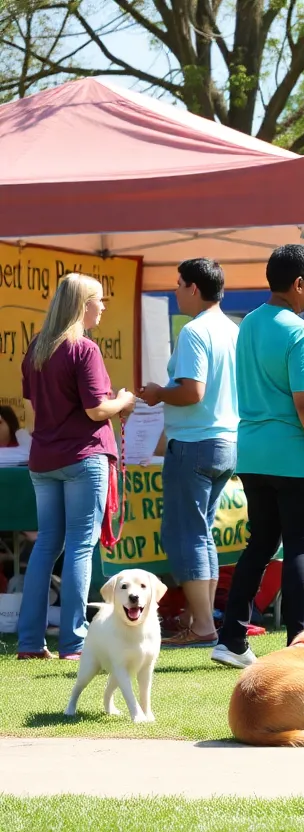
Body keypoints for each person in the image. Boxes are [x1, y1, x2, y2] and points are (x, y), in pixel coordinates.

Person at [211, 244, 304, 669]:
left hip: (254, 454)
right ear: (298, 283)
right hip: (294, 455)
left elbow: (287, 393)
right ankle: (302, 646)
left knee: (259, 546)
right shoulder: (300, 331)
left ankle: (231, 639)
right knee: (300, 550)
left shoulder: (249, 324)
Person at [17, 273, 136, 660]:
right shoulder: (83, 350)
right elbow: (95, 409)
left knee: (46, 547)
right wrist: (123, 401)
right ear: (84, 304)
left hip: (44, 460)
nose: (103, 306)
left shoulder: (38, 347)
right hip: (83, 457)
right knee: (80, 548)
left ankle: (31, 642)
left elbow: (36, 409)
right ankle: (73, 642)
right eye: (99, 300)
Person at [137, 258, 239, 648]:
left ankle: (202, 626)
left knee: (185, 536)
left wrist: (158, 393)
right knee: (201, 534)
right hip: (225, 442)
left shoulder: (195, 332)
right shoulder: (232, 329)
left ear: (193, 288)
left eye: (179, 284)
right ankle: (203, 619)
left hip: (196, 443)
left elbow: (192, 391)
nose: (175, 291)